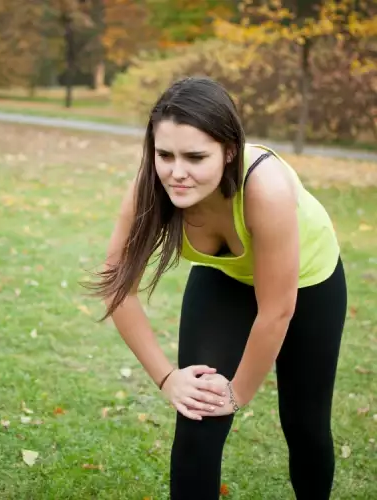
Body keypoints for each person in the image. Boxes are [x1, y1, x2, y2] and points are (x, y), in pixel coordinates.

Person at [86, 76, 347, 499]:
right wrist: (168, 377)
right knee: (197, 418)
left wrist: (238, 391)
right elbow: (119, 288)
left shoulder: (266, 187)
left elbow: (276, 310)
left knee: (304, 423)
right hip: (225, 280)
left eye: (195, 156)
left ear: (229, 152)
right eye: (164, 155)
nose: (176, 172)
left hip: (307, 283)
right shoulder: (150, 190)